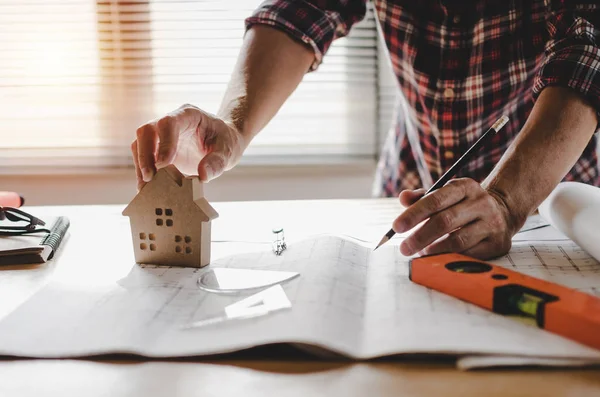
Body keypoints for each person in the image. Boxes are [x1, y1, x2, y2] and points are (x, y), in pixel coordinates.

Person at [131, 1, 600, 260]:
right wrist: (234, 125)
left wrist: (505, 201)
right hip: (412, 180)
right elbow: (299, 11)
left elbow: (588, 53)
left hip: (554, 197)